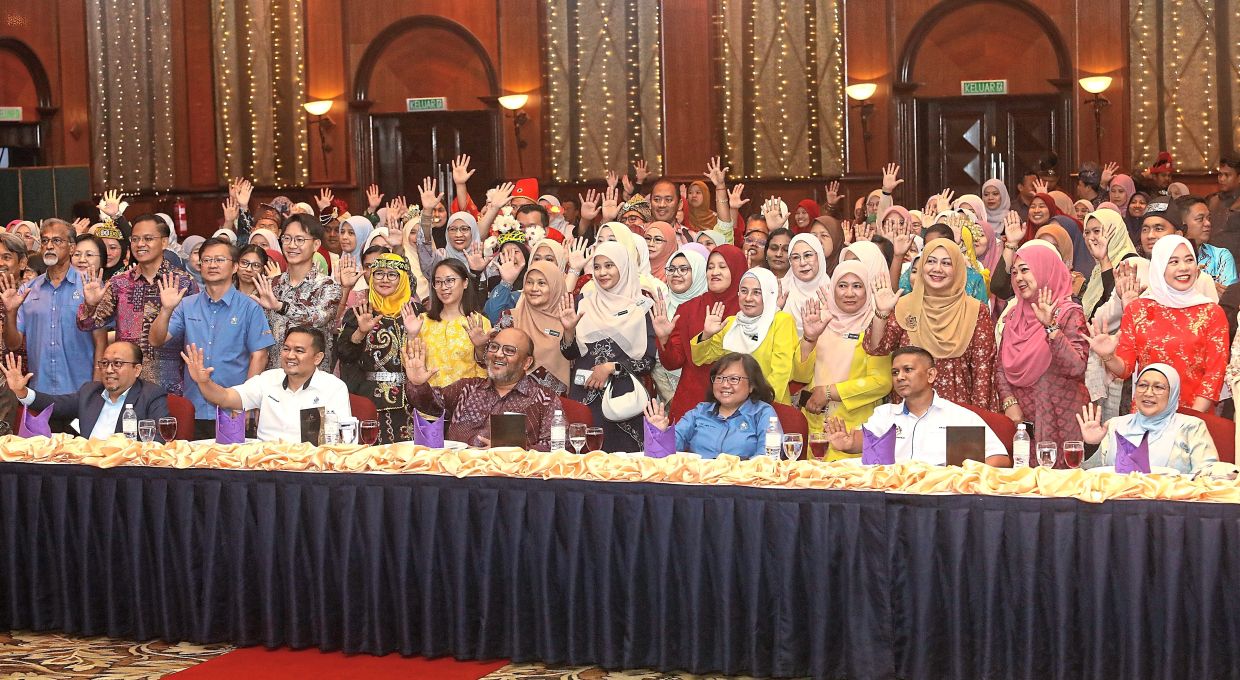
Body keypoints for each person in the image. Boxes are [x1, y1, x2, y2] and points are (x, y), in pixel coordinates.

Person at [1085, 234, 1229, 411]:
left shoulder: (1212, 312)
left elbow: (1214, 374)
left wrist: (1190, 419)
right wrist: (1107, 356)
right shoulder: (1137, 309)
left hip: (1194, 417)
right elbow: (1124, 369)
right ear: (1159, 267)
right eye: (1173, 262)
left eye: (1189, 260)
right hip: (1147, 414)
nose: (1184, 268)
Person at [148, 237, 274, 439]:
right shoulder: (186, 304)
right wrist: (166, 310)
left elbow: (259, 356)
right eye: (206, 260)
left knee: (232, 467)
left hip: (233, 407)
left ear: (234, 267)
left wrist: (247, 401)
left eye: (219, 259)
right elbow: (156, 340)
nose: (212, 265)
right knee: (196, 466)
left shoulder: (249, 307)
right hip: (194, 405)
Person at [866, 238, 998, 410]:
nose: (937, 269)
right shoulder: (905, 306)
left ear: (958, 269)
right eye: (931, 261)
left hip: (958, 413)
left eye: (946, 263)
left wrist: (975, 426)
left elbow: (983, 376)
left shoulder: (976, 311)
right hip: (909, 413)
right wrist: (881, 313)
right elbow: (878, 348)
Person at [822, 346, 1010, 466]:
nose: (900, 377)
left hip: (940, 503)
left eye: (908, 370)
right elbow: (866, 443)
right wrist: (847, 444)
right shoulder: (886, 415)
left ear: (931, 375)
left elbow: (999, 459)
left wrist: (962, 479)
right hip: (893, 501)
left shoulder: (956, 417)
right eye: (895, 372)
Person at [77, 214, 200, 397]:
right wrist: (91, 304)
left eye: (148, 239)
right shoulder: (119, 283)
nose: (140, 244)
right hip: (127, 385)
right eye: (135, 239)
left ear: (164, 242)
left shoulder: (183, 282)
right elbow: (86, 324)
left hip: (174, 385)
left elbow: (196, 332)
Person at [558, 242, 657, 451]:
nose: (602, 272)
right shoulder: (584, 302)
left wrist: (612, 367)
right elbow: (570, 353)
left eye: (609, 265)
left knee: (621, 469)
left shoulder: (641, 307)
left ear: (624, 266)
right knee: (581, 464)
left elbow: (647, 361)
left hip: (623, 401)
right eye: (597, 266)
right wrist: (568, 332)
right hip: (584, 397)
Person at [182, 326, 351, 443]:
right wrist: (204, 382)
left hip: (311, 467)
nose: (290, 355)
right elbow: (226, 398)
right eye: (286, 349)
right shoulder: (268, 379)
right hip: (267, 465)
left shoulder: (334, 388)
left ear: (318, 358)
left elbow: (344, 439)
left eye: (299, 351)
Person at [794, 260, 892, 460]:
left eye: (857, 286)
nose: (849, 293)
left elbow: (882, 382)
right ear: (833, 289)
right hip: (815, 428)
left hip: (853, 433)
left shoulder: (875, 328)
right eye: (842, 285)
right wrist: (810, 338)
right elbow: (798, 376)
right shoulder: (820, 322)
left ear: (868, 291)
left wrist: (829, 392)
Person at [401, 328, 561, 450]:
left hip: (510, 484)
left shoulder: (545, 399)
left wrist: (515, 452)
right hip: (459, 479)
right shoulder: (467, 388)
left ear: (526, 362)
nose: (498, 354)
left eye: (509, 350)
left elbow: (558, 448)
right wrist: (418, 384)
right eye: (494, 347)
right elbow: (430, 406)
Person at [996, 244, 1090, 445]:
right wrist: (1009, 403)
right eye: (1014, 272)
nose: (1019, 277)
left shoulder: (1069, 314)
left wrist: (1051, 328)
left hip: (1060, 421)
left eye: (1025, 269)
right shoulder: (1014, 315)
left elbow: (1077, 368)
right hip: (1022, 424)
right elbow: (1000, 368)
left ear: (1045, 269)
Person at [1, 218, 96, 396]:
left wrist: (97, 389)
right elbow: (13, 344)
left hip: (82, 391)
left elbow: (101, 343)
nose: (49, 246)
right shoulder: (27, 291)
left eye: (57, 241)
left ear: (72, 247)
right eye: (44, 241)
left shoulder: (89, 286)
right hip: (40, 392)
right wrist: (11, 312)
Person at [652, 244, 748, 419]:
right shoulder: (689, 308)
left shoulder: (748, 311)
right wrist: (664, 339)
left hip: (739, 403)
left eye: (722, 266)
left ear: (737, 269)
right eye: (710, 267)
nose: (714, 272)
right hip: (693, 402)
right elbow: (674, 362)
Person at [3, 342, 171, 440]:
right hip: (86, 470)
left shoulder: (151, 395)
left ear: (137, 369)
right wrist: (23, 391)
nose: (109, 370)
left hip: (125, 472)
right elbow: (57, 405)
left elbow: (158, 441)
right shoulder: (90, 392)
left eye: (117, 363)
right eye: (104, 363)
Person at [336, 253, 422, 443]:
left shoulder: (418, 313)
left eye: (392, 274)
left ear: (404, 279)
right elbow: (344, 355)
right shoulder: (359, 311)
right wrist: (360, 332)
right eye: (379, 273)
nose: (384, 279)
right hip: (368, 398)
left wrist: (413, 334)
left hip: (410, 400)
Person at [1077, 364, 1217, 474]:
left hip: (1170, 506)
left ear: (1173, 394)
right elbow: (1093, 475)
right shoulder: (1116, 424)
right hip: (1118, 505)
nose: (1148, 393)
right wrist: (1092, 445)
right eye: (1142, 385)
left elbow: (1208, 475)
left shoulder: (1190, 427)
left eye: (1158, 387)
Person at [691, 267, 798, 405]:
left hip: (768, 405)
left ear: (768, 294)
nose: (748, 298)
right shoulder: (730, 323)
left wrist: (754, 405)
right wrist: (706, 334)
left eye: (757, 292)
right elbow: (700, 359)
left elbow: (781, 372)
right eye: (744, 291)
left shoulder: (781, 321)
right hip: (731, 404)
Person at [642, 353, 779, 459]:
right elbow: (665, 455)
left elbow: (767, 459)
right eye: (719, 378)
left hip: (743, 486)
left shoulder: (762, 413)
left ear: (752, 386)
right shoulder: (700, 412)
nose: (725, 385)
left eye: (734, 379)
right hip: (699, 484)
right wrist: (659, 434)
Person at [250, 214, 343, 370]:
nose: (292, 245)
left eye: (300, 240)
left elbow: (319, 318)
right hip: (275, 378)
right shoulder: (271, 284)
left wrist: (281, 306)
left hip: (313, 381)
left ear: (315, 244)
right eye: (287, 239)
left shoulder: (327, 286)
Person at [489, 261, 572, 396]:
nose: (534, 288)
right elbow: (491, 358)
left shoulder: (568, 320)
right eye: (529, 282)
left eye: (541, 283)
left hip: (555, 404)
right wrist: (480, 346)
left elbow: (575, 359)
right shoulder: (510, 317)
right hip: (512, 400)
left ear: (555, 286)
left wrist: (569, 331)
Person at [407, 258, 491, 387]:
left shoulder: (479, 322)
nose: (444, 287)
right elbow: (410, 366)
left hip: (466, 400)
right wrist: (411, 336)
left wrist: (480, 347)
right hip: (430, 400)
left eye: (450, 280)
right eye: (438, 282)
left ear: (465, 283)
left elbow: (487, 369)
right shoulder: (422, 321)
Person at [650, 246, 707, 401]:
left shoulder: (709, 308)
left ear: (698, 272)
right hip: (662, 386)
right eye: (672, 269)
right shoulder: (659, 305)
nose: (676, 274)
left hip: (699, 389)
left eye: (684, 269)